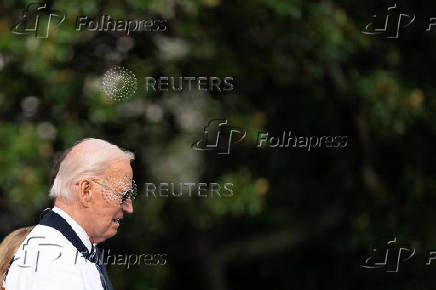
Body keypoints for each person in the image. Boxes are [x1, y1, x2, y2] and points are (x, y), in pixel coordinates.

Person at [2, 138, 136, 290]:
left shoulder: (67, 250)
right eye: (122, 195)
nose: (129, 208)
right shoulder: (54, 259)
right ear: (86, 191)